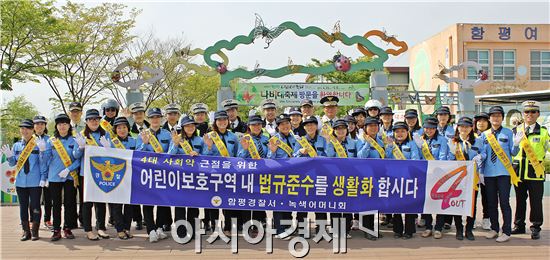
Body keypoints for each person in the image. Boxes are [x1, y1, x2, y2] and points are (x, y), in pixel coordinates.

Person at [479, 106, 520, 243]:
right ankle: (494, 228)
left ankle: (507, 231)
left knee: (504, 202)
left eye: (498, 116)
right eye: (493, 116)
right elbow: (483, 153)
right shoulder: (484, 135)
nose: (495, 118)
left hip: (504, 173)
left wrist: (516, 144)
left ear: (502, 118)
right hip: (489, 173)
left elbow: (513, 153)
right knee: (491, 203)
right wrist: (480, 166)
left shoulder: (508, 133)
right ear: (489, 118)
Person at [2, 119, 47, 241]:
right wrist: (10, 156)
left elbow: (43, 163)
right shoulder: (17, 145)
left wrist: (43, 177)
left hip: (35, 181)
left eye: (27, 128)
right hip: (21, 181)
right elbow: (13, 164)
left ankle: (35, 231)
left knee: (35, 206)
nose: (24, 130)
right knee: (23, 206)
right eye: (22, 128)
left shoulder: (38, 143)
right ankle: (26, 231)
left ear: (32, 130)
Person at [511, 100, 549, 240]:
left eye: (533, 112)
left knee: (536, 201)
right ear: (523, 113)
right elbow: (511, 151)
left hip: (535, 172)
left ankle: (536, 227)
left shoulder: (544, 132)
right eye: (527, 112)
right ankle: (519, 225)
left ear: (538, 114)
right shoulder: (515, 131)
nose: (530, 114)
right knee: (520, 200)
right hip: (519, 171)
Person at [73, 109, 111, 240]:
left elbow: (111, 154)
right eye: (91, 119)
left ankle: (100, 228)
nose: (94, 121)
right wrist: (80, 148)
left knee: (100, 202)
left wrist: (108, 148)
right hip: (86, 174)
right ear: (86, 121)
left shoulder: (105, 134)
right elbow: (75, 156)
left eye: (96, 119)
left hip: (101, 173)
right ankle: (88, 229)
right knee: (87, 203)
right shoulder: (81, 135)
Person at [136, 107, 172, 242]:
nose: (155, 119)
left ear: (161, 118)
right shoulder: (142, 134)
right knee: (148, 202)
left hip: (163, 172)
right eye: (152, 117)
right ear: (149, 119)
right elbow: (137, 154)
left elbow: (171, 152)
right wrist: (144, 144)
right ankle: (150, 229)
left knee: (162, 200)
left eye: (157, 117)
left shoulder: (167, 134)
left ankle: (159, 228)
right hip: (147, 172)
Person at [42, 114, 80, 241]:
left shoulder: (74, 140)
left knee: (69, 203)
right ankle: (56, 229)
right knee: (56, 204)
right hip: (54, 177)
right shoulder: (50, 141)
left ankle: (67, 228)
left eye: (65, 124)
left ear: (69, 126)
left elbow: (78, 160)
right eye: (60, 124)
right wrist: (43, 152)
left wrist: (68, 169)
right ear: (56, 126)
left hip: (69, 177)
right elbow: (45, 161)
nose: (62, 126)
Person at [168, 115, 205, 241]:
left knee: (194, 204)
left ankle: (193, 231)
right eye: (188, 125)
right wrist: (175, 145)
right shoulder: (177, 139)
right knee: (180, 205)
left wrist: (199, 154)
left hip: (196, 177)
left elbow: (207, 157)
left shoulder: (200, 140)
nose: (190, 128)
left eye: (192, 125)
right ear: (183, 127)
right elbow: (169, 156)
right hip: (180, 177)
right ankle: (181, 231)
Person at [203, 110, 240, 236]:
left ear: (228, 121)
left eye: (224, 119)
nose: (222, 122)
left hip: (229, 174)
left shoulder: (233, 136)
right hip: (213, 174)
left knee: (227, 201)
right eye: (219, 120)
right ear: (215, 122)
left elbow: (237, 154)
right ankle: (214, 227)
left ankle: (227, 226)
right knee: (213, 201)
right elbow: (204, 157)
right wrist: (208, 147)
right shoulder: (209, 136)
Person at [447, 116, 484, 241]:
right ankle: (458, 229)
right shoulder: (452, 142)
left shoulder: (477, 141)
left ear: (471, 128)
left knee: (472, 204)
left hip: (473, 177)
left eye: (467, 126)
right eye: (461, 126)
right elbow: (447, 160)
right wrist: (452, 154)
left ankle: (469, 229)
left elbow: (484, 152)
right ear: (457, 127)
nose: (464, 129)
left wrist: (480, 156)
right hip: (457, 179)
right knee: (457, 203)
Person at [325, 119, 362, 239]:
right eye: (338, 129)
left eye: (343, 128)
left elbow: (359, 157)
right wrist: (330, 143)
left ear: (347, 130)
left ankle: (346, 230)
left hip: (350, 177)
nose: (340, 131)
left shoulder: (354, 143)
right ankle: (335, 230)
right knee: (335, 204)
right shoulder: (331, 142)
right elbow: (329, 155)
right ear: (334, 131)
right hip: (334, 177)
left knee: (347, 204)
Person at [413, 117, 449, 239]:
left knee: (440, 201)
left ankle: (438, 227)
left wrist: (435, 168)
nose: (429, 130)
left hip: (438, 174)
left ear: (436, 128)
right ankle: (428, 226)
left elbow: (443, 156)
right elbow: (417, 156)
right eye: (426, 128)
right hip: (424, 173)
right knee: (426, 200)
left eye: (432, 128)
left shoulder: (442, 140)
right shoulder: (419, 140)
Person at [385, 121, 420, 239]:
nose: (400, 134)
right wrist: (390, 147)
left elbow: (415, 159)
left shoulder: (412, 144)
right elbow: (386, 158)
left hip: (408, 179)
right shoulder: (390, 144)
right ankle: (397, 230)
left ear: (407, 132)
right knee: (396, 206)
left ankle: (409, 231)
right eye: (397, 131)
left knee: (409, 206)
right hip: (394, 179)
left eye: (402, 131)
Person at [294, 116, 328, 234]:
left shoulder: (323, 140)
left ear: (316, 126)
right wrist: (300, 152)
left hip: (320, 176)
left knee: (320, 204)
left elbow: (329, 155)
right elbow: (294, 158)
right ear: (304, 127)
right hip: (305, 177)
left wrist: (319, 157)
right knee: (302, 203)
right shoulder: (300, 141)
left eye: (312, 124)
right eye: (307, 125)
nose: (310, 127)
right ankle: (302, 229)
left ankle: (321, 229)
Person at [238, 115, 269, 236]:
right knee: (246, 200)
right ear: (249, 126)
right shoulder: (245, 139)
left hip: (263, 173)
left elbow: (270, 155)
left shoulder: (267, 138)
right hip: (247, 173)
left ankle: (257, 225)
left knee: (259, 200)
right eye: (253, 124)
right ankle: (246, 225)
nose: (256, 127)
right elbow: (239, 157)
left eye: (259, 124)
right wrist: (245, 149)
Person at [268, 114, 298, 239]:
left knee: (289, 202)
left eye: (287, 123)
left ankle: (288, 227)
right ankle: (279, 230)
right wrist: (273, 151)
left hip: (292, 176)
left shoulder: (295, 139)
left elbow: (296, 156)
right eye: (282, 124)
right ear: (278, 126)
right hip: (279, 176)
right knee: (279, 203)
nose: (285, 126)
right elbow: (269, 160)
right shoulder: (274, 140)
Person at [106, 117, 136, 240]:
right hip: (116, 177)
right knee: (117, 205)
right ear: (115, 130)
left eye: (124, 127)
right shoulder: (111, 142)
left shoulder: (134, 141)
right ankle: (119, 229)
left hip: (131, 177)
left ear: (128, 129)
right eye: (119, 128)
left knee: (129, 204)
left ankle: (127, 227)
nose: (122, 130)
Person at [358, 117, 387, 240]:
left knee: (375, 203)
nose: (373, 128)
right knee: (366, 204)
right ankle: (366, 229)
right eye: (370, 126)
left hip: (378, 176)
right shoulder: (360, 140)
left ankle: (373, 229)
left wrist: (390, 146)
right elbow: (360, 156)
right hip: (365, 176)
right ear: (365, 128)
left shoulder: (381, 141)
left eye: (376, 126)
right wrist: (368, 143)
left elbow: (386, 157)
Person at [32, 115, 52, 230]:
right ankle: (33, 220)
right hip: (34, 175)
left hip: (48, 174)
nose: (40, 126)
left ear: (45, 126)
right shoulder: (30, 139)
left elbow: (52, 157)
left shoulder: (50, 139)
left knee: (48, 199)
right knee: (34, 199)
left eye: (42, 124)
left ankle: (47, 219)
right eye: (37, 124)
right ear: (33, 126)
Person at [474, 112, 491, 230]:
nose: (481, 123)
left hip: (487, 170)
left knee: (487, 196)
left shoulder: (491, 135)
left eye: (484, 120)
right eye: (479, 121)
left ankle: (486, 219)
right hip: (473, 171)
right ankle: (472, 218)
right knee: (472, 196)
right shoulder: (471, 135)